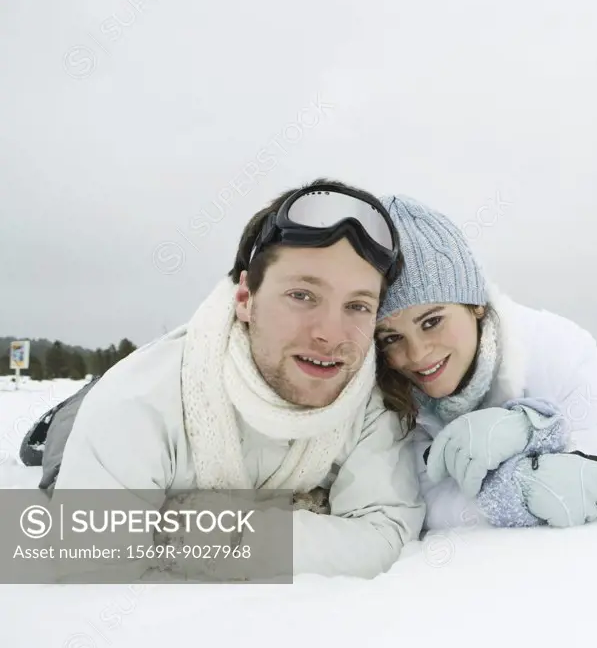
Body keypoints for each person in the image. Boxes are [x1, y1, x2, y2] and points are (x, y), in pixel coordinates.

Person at [51, 178, 426, 580]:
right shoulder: (137, 400)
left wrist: (229, 533)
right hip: (87, 417)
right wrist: (305, 524)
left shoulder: (369, 402)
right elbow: (88, 557)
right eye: (302, 295)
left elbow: (383, 537)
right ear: (246, 298)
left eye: (357, 305)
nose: (331, 335)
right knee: (62, 438)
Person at [373, 195, 597, 532]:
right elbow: (414, 501)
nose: (417, 354)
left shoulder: (555, 349)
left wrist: (534, 430)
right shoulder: (385, 396)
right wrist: (513, 492)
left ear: (476, 304)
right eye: (391, 338)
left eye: (431, 322)